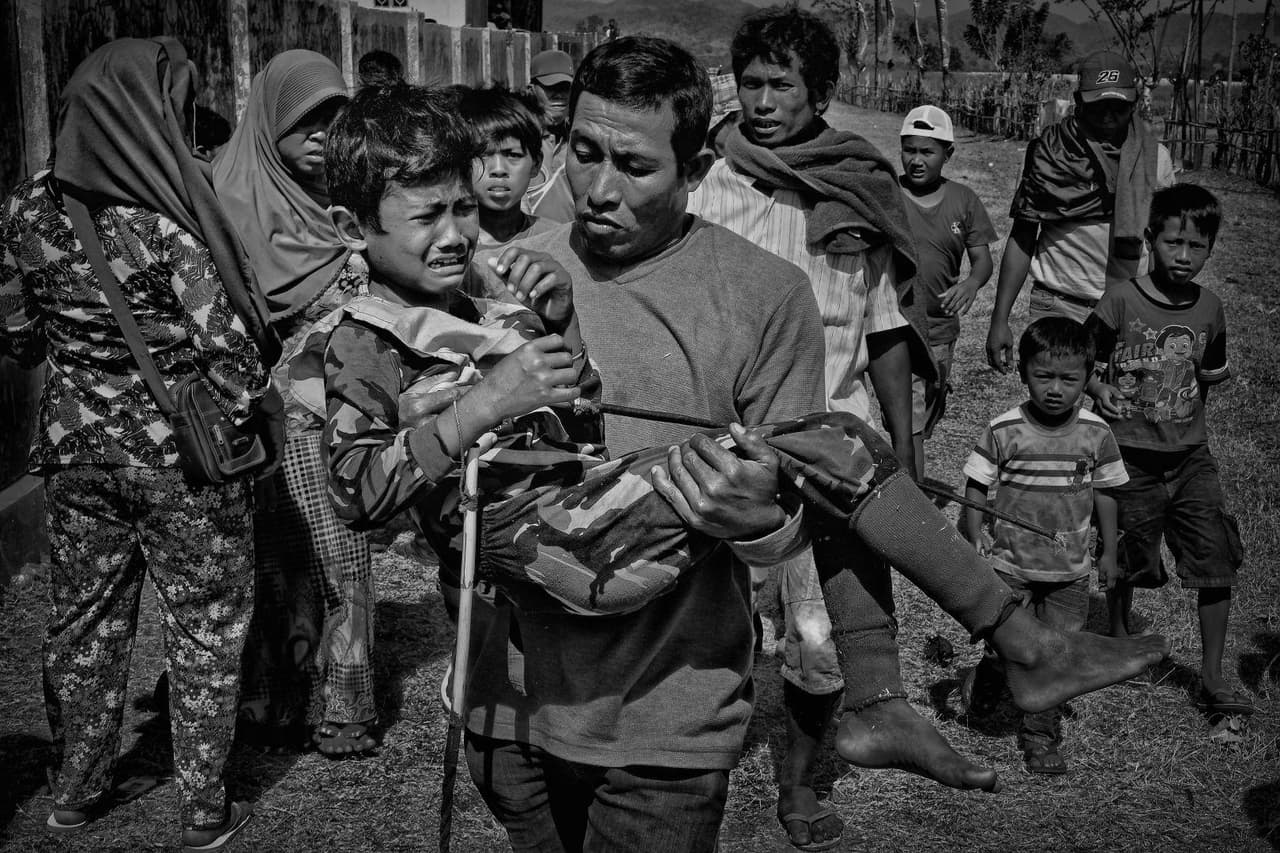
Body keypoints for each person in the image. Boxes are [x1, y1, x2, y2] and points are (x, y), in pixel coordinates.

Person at [311, 37, 1166, 853]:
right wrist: (503, 374)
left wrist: (754, 516)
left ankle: (933, 672)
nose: (597, 189)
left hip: (664, 725)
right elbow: (394, 476)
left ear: (697, 167)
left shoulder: (759, 293)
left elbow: (746, 506)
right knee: (832, 444)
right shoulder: (464, 281)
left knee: (831, 445)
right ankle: (946, 670)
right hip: (520, 687)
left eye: (635, 165)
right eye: (581, 153)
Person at [0, 37, 281, 850]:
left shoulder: (23, 208)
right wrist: (230, 416)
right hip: (182, 463)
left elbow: (17, 333)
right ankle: (201, 808)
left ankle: (77, 789)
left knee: (82, 623)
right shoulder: (170, 215)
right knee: (204, 625)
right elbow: (232, 355)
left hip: (73, 453)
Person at [685, 9, 945, 848]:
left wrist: (901, 448)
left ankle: (798, 787)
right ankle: (691, 785)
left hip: (834, 444)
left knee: (820, 636)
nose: (761, 103)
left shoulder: (858, 186)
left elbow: (885, 327)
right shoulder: (703, 187)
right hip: (716, 447)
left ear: (822, 93)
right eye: (751, 84)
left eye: (781, 86)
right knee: (700, 630)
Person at [213, 50, 377, 756]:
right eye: (304, 119)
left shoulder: (354, 202)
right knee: (269, 562)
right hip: (259, 420)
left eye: (334, 116)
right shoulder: (223, 204)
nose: (322, 132)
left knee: (343, 558)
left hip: (339, 417)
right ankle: (268, 697)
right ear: (267, 123)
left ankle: (343, 704)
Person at [1084, 184, 1254, 717]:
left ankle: (1211, 672)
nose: (1183, 257)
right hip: (1129, 457)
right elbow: (1080, 358)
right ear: (1150, 240)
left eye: (1197, 246)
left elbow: (1212, 372)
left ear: (1211, 249)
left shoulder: (1211, 308)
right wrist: (1099, 387)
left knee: (1216, 555)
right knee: (1130, 552)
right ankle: (1117, 637)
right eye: (1173, 243)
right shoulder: (1120, 300)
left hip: (1190, 458)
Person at [962, 317, 1129, 774]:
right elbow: (976, 483)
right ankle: (991, 678)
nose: (1055, 389)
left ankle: (1040, 735)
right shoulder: (1004, 430)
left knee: (1055, 656)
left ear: (1088, 376)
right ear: (1023, 373)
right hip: (1010, 564)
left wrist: (1108, 550)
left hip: (1069, 573)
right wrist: (972, 530)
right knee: (1005, 646)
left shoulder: (1096, 433)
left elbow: (1107, 492)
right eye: (1043, 376)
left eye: (1069, 379)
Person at [986, 49, 1177, 374]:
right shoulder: (1048, 155)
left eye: (1117, 107)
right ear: (1078, 101)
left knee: (1122, 413)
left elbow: (1163, 243)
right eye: (1097, 105)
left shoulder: (1154, 160)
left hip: (1129, 308)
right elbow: (1022, 237)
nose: (1107, 116)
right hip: (1057, 305)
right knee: (1055, 414)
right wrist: (999, 318)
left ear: (1134, 103)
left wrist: (1162, 310)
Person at [898, 104, 996, 479]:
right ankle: (913, 497)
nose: (916, 160)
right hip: (898, 324)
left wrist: (971, 283)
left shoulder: (964, 200)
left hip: (940, 331)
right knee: (909, 420)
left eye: (927, 151)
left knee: (930, 406)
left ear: (948, 154)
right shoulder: (890, 194)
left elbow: (982, 261)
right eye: (910, 150)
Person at [459, 86, 559, 269]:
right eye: (483, 155)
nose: (498, 170)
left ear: (536, 164)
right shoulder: (451, 246)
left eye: (512, 155)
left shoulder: (556, 240)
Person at [523, 49, 575, 221]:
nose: (559, 95)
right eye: (551, 88)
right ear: (531, 89)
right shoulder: (518, 139)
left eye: (565, 88)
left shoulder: (577, 140)